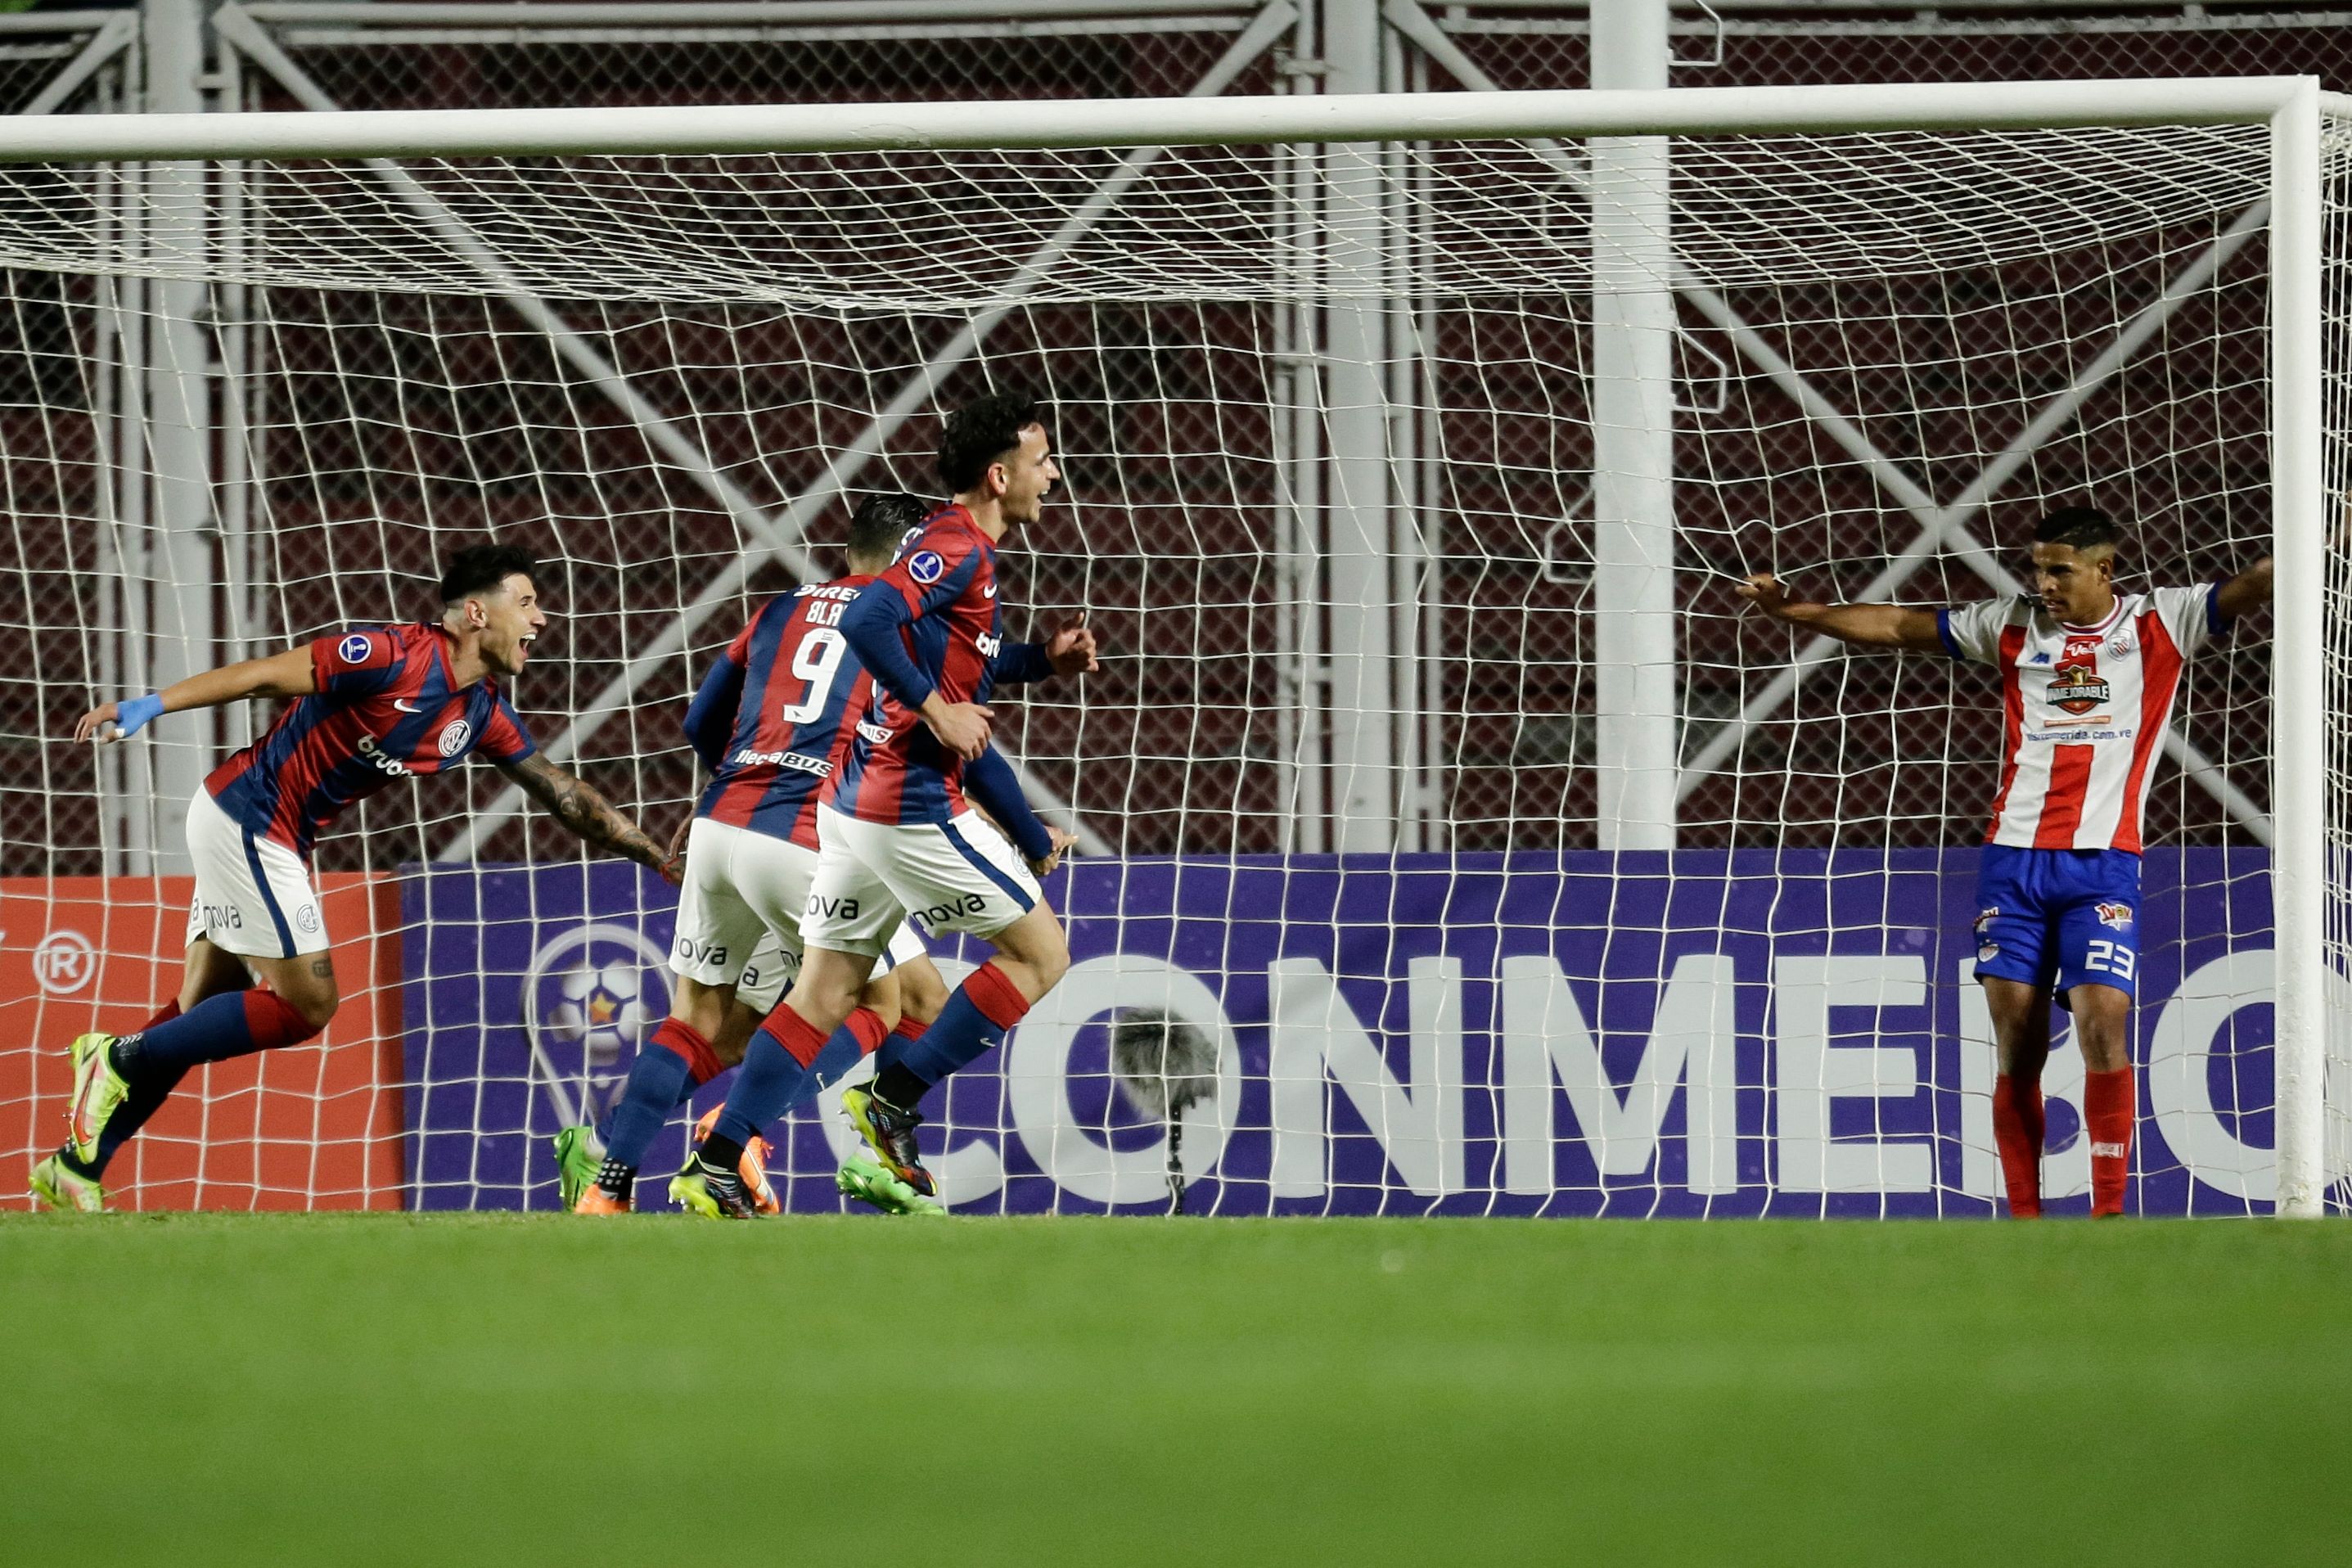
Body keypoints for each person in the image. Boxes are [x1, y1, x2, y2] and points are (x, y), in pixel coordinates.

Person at [33, 543, 676, 1213]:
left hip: (275, 834)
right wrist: (152, 704)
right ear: (477, 612)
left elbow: (561, 793)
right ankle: (117, 1058)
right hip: (247, 818)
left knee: (197, 1016)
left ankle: (75, 1167)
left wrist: (653, 853)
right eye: (528, 602)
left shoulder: (479, 711)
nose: (542, 620)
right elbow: (262, 677)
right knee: (307, 1005)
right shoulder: (389, 655)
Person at [1739, 504, 2272, 1218]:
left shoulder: (2163, 621)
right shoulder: (2011, 626)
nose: (2043, 582)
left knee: (2104, 1019)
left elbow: (2257, 582)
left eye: (2059, 570)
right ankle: (2024, 1217)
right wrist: (1796, 612)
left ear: (2104, 569)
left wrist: (2331, 532)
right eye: (2037, 569)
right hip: (2013, 863)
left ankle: (2109, 1212)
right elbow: (1897, 625)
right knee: (2017, 1037)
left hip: (2103, 862)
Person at [556, 493, 1063, 1218]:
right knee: (889, 999)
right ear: (909, 561)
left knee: (703, 1018)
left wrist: (732, 783)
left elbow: (701, 720)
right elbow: (942, 741)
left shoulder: (778, 609)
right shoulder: (904, 625)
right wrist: (1028, 832)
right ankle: (742, 1144)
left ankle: (608, 1178)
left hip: (724, 822)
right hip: (811, 834)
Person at [686, 393, 1094, 1216]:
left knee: (825, 992)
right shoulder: (955, 544)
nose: (1054, 474)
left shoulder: (963, 554)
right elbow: (871, 614)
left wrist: (1039, 662)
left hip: (849, 804)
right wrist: (936, 711)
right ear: (999, 472)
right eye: (1044, 457)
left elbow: (963, 664)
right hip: (909, 803)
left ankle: (717, 1161)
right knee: (1043, 954)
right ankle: (892, 1098)